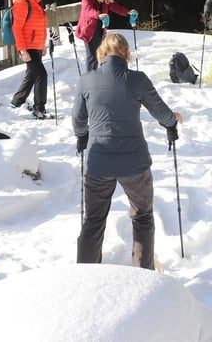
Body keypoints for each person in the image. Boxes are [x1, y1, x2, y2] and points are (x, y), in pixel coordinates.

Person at [73, 33, 182, 268]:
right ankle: (143, 274)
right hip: (134, 163)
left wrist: (82, 136)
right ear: (126, 54)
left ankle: (85, 274)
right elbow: (161, 112)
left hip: (98, 163)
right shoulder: (137, 79)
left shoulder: (87, 80)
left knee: (93, 220)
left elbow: (78, 120)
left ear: (101, 53)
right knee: (142, 217)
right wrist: (172, 122)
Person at [8, 0, 49, 118]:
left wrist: (42, 45)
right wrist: (22, 50)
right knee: (41, 75)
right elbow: (17, 28)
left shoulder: (36, 3)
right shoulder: (23, 4)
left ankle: (16, 101)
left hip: (35, 45)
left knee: (32, 74)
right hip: (27, 46)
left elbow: (39, 27)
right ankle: (39, 108)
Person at [76, 0, 136, 73]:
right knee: (92, 55)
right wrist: (99, 15)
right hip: (88, 28)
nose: (104, 0)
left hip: (100, 27)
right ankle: (90, 77)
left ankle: (100, 74)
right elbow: (87, 10)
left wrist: (127, 12)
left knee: (102, 52)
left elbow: (114, 6)